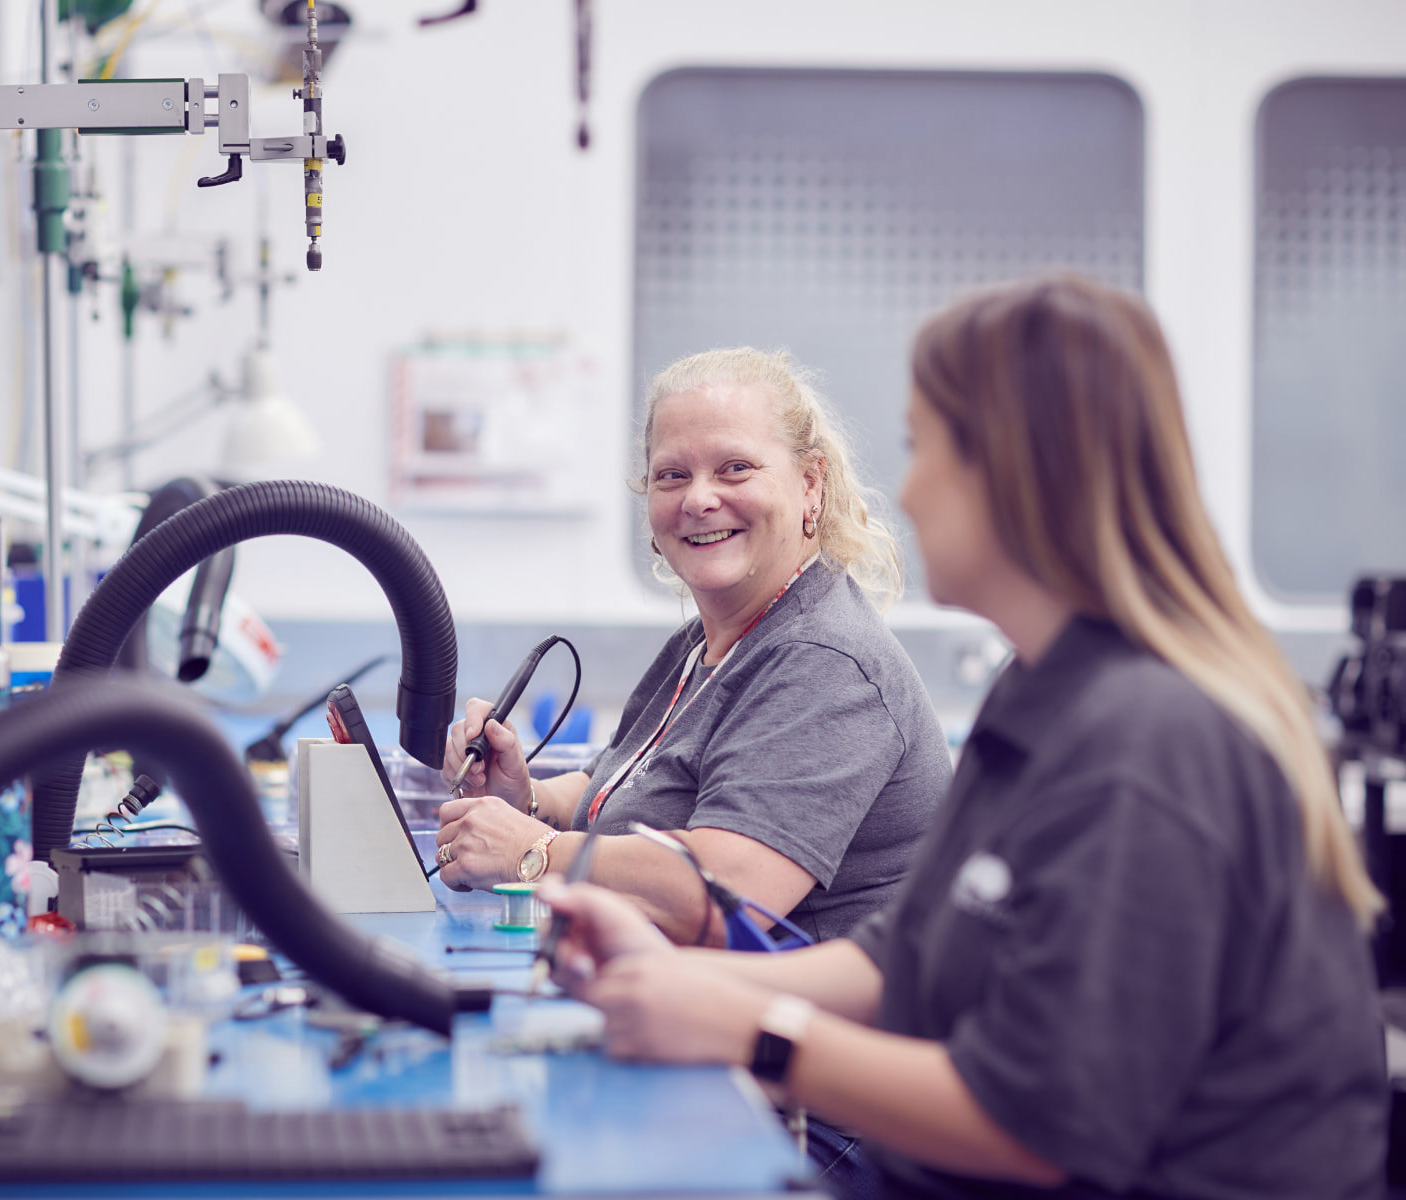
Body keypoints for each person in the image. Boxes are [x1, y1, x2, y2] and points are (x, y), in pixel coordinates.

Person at [539, 274, 1391, 1199]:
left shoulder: (1149, 743)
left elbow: (1041, 1129)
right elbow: (902, 955)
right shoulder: (1045, 691)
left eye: (923, 447)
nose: (903, 487)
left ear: (1020, 471)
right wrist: (677, 980)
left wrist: (750, 1034)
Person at [433, 348, 951, 948]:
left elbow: (726, 893)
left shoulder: (826, 661)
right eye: (672, 475)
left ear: (811, 485)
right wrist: (523, 798)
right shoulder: (707, 642)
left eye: (734, 469)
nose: (698, 499)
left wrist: (530, 850)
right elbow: (625, 791)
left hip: (801, 1023)